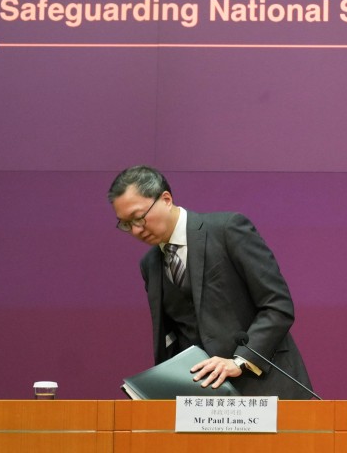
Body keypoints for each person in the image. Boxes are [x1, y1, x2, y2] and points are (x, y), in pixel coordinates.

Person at [109, 165, 313, 398]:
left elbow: (277, 305)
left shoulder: (228, 230)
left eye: (139, 218)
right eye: (126, 224)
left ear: (166, 199)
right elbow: (173, 339)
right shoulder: (150, 264)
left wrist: (239, 361)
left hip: (266, 388)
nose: (136, 230)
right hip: (202, 400)